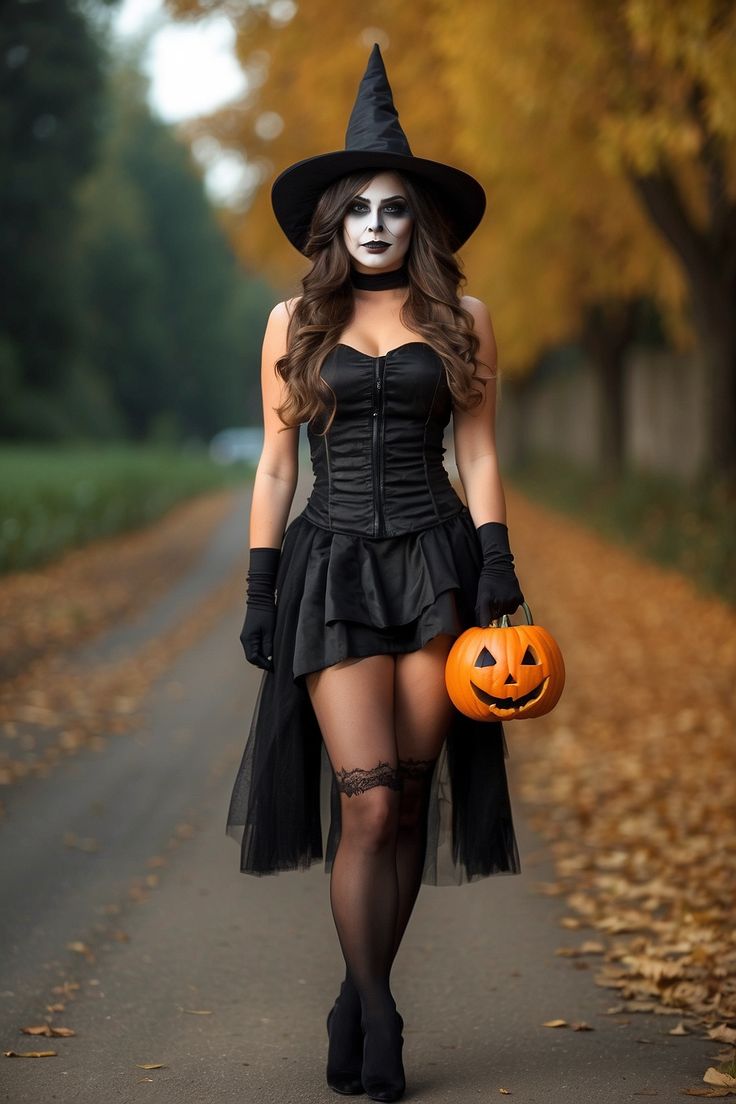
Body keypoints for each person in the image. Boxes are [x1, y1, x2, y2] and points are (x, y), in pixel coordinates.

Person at [227, 43, 525, 1103]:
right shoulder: (293, 324)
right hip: (332, 571)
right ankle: (381, 1010)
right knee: (360, 805)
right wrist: (260, 588)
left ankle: (358, 994)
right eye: (358, 208)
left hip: (438, 570)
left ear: (418, 223)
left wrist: (497, 563)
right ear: (332, 223)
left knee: (403, 803)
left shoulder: (464, 320)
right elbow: (272, 464)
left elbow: (479, 453)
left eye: (394, 208)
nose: (376, 225)